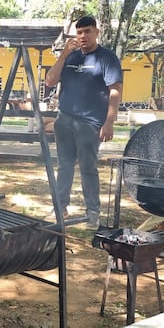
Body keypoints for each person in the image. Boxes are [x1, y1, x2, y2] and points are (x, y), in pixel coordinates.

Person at [44, 16, 123, 230]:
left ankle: (92, 212)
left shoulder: (107, 58)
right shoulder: (70, 57)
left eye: (87, 31)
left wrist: (109, 122)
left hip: (91, 123)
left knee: (88, 168)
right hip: (65, 119)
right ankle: (60, 207)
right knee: (65, 166)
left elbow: (115, 91)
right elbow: (50, 81)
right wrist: (65, 54)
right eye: (79, 32)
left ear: (97, 32)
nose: (83, 36)